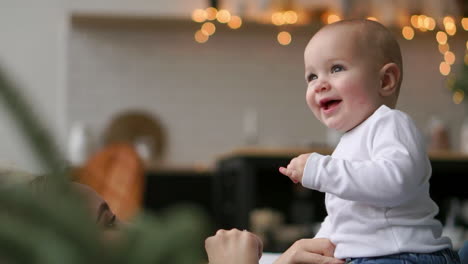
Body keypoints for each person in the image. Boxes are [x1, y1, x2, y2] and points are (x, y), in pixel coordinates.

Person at [277, 19, 460, 263]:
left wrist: (320, 169)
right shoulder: (349, 141)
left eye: (336, 68)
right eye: (311, 76)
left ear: (385, 81)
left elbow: (395, 180)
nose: (319, 84)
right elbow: (344, 217)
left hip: (404, 255)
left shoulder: (390, 123)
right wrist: (317, 248)